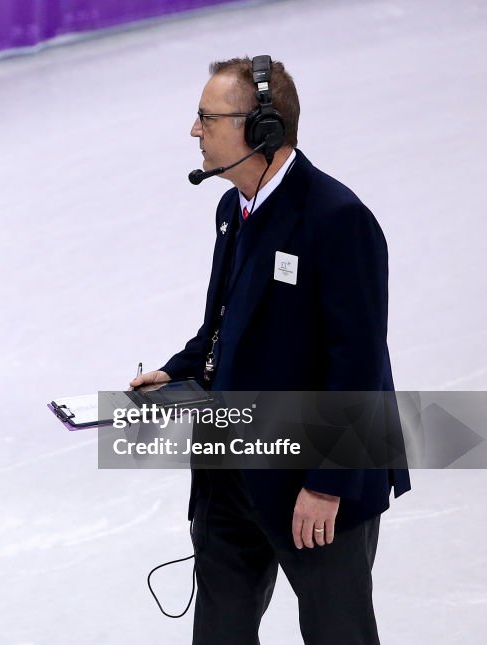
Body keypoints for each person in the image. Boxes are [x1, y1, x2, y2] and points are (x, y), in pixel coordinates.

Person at [130, 56, 410, 644]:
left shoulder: (337, 219)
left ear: (263, 130)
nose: (194, 130)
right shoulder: (233, 209)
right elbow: (223, 324)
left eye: (207, 117)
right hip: (233, 470)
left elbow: (357, 362)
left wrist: (326, 483)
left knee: (339, 634)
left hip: (315, 483)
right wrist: (176, 372)